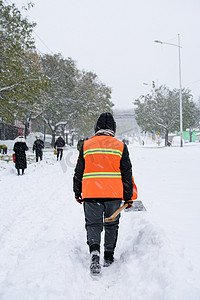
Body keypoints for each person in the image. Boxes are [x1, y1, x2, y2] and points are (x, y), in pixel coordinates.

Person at [73, 112, 137, 275]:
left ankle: (95, 252)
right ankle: (108, 256)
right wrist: (128, 197)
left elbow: (79, 171)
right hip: (113, 194)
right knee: (111, 224)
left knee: (93, 224)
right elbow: (127, 173)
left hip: (91, 193)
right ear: (113, 129)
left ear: (97, 128)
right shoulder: (120, 146)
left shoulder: (87, 145)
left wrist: (77, 191)